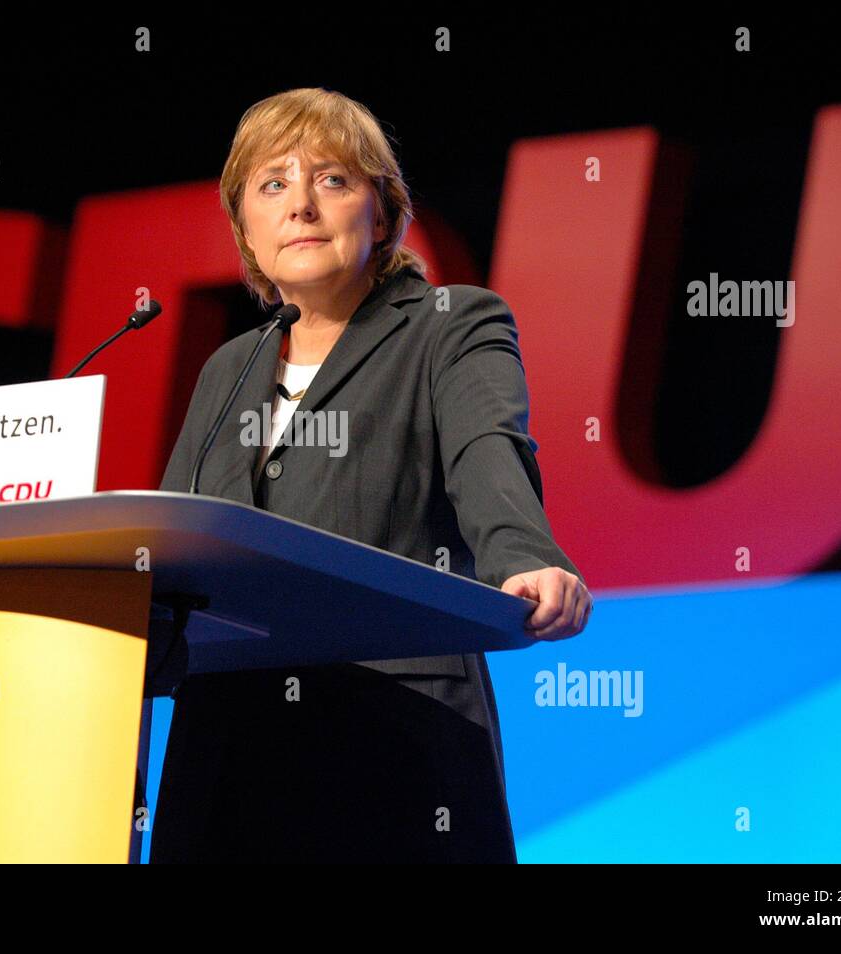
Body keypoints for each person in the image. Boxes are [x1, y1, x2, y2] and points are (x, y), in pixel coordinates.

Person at [149, 87, 591, 863]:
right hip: (226, 760)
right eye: (273, 185)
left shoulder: (449, 324)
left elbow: (488, 449)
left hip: (393, 747)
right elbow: (175, 542)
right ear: (247, 231)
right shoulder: (229, 368)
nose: (302, 208)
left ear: (381, 215)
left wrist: (524, 556)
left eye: (333, 180)